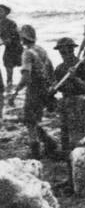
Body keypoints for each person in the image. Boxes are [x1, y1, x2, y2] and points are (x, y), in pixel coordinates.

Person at [14, 25, 54, 158]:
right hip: (44, 88)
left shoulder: (27, 53)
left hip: (34, 89)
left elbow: (26, 76)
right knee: (34, 119)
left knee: (29, 121)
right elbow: (50, 69)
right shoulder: (41, 50)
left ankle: (35, 152)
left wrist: (15, 92)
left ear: (23, 38)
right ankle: (49, 142)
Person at [51, 37, 85, 157]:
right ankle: (66, 158)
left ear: (72, 50)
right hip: (65, 101)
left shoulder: (83, 66)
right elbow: (56, 85)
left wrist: (75, 78)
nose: (64, 55)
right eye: (61, 52)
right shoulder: (59, 68)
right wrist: (52, 89)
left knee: (77, 134)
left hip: (79, 102)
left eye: (67, 51)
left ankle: (78, 157)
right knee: (64, 131)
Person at [0, 5, 21, 93]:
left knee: (24, 64)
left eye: (1, 11)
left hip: (16, 46)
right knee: (8, 65)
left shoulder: (11, 23)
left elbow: (14, 36)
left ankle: (12, 84)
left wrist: (3, 42)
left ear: (6, 13)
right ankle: (10, 84)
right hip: (8, 47)